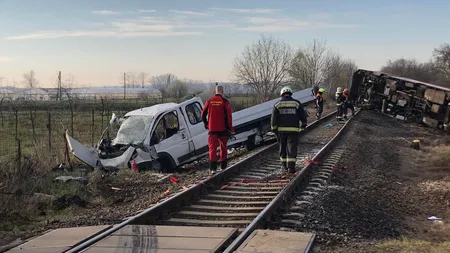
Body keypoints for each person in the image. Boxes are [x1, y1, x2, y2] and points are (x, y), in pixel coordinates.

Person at [271, 86, 308, 174]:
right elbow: (303, 115)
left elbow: (273, 119)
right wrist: (303, 124)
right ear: (290, 93)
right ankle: (291, 168)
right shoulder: (296, 103)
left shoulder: (277, 104)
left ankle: (284, 166)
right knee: (292, 148)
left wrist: (274, 129)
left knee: (282, 148)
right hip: (293, 131)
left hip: (281, 132)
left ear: (282, 94)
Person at [201, 84, 235, 174]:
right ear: (222, 92)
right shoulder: (225, 102)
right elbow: (229, 117)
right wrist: (231, 129)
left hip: (212, 129)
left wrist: (206, 124)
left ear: (215, 91)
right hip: (223, 129)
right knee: (223, 147)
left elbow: (202, 114)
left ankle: (213, 168)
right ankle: (223, 166)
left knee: (212, 148)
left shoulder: (209, 101)